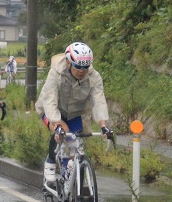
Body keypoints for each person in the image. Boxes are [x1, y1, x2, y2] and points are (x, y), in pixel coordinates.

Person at [35, 42, 113, 185]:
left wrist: (103, 125)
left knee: (77, 148)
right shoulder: (56, 73)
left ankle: (73, 187)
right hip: (50, 109)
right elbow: (50, 100)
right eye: (78, 66)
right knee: (63, 132)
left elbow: (99, 101)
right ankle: (50, 162)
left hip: (74, 113)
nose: (82, 70)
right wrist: (57, 123)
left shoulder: (94, 77)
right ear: (68, 62)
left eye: (86, 66)